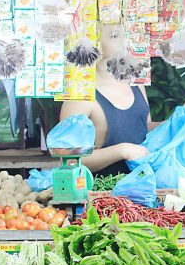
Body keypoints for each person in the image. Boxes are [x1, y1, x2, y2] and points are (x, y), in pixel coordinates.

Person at [59, 24, 164, 177]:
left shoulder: (135, 84)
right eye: (114, 36)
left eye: (125, 34)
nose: (123, 41)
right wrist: (122, 150)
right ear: (93, 43)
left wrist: (170, 124)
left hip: (143, 188)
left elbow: (142, 127)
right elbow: (69, 159)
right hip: (99, 195)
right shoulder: (81, 95)